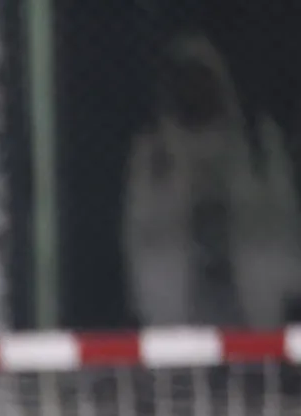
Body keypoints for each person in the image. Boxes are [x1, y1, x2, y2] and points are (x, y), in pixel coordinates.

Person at [122, 34, 301, 330]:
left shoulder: (257, 141)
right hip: (177, 301)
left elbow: (286, 211)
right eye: (183, 79)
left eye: (200, 77)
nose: (193, 89)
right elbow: (136, 227)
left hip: (256, 298)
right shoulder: (153, 149)